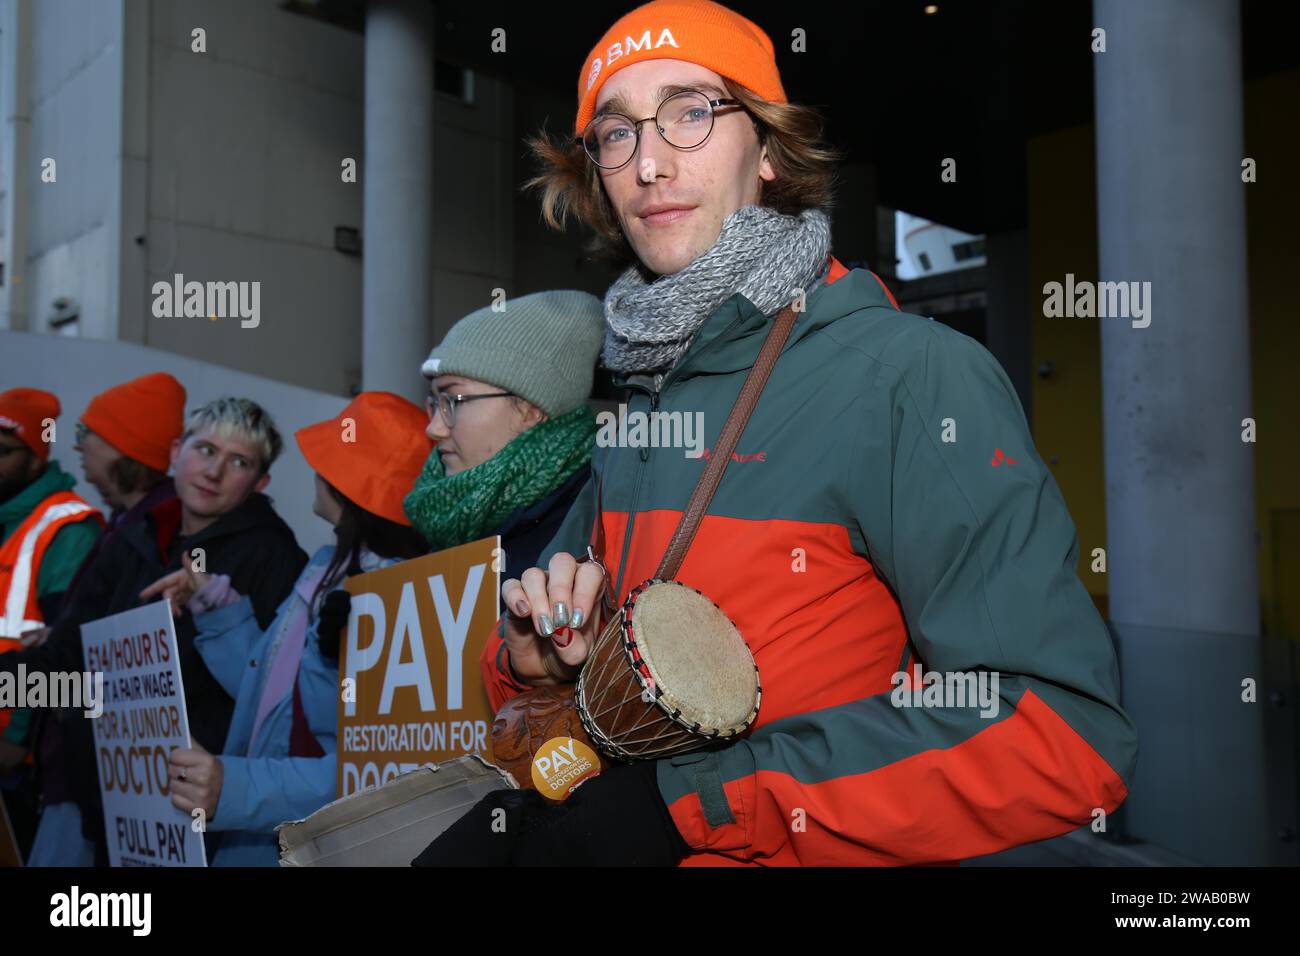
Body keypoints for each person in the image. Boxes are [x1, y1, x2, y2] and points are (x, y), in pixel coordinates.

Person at [421, 0, 1139, 867]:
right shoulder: (640, 404)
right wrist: (540, 665)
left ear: (767, 150)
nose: (649, 162)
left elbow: (1061, 737)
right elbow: (578, 686)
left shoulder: (906, 376)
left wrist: (694, 807)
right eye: (616, 132)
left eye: (691, 112)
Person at [0, 395, 307, 863]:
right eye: (205, 450)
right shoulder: (136, 536)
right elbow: (68, 656)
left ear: (259, 481)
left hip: (201, 815)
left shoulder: (274, 556)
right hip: (112, 798)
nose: (214, 471)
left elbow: (274, 702)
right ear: (175, 454)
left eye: (238, 461)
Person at [141, 392, 430, 866]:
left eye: (327, 459)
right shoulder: (328, 567)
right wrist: (215, 604)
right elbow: (269, 697)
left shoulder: (389, 596)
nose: (315, 468)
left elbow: (377, 771)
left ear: (343, 483)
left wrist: (233, 788)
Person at [25, 372, 187, 867]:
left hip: (95, 771)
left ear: (122, 447)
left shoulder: (148, 532)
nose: (75, 448)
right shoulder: (132, 526)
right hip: (96, 768)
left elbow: (89, 655)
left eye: (85, 435)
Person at [403, 289, 606, 581]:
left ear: (530, 410)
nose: (433, 428)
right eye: (435, 403)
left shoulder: (593, 533)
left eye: (454, 400)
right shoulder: (452, 517)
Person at [0, 388, 103, 858]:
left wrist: (15, 740)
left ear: (38, 457)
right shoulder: (10, 521)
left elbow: (66, 652)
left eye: (4, 450)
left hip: (20, 763)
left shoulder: (68, 528)